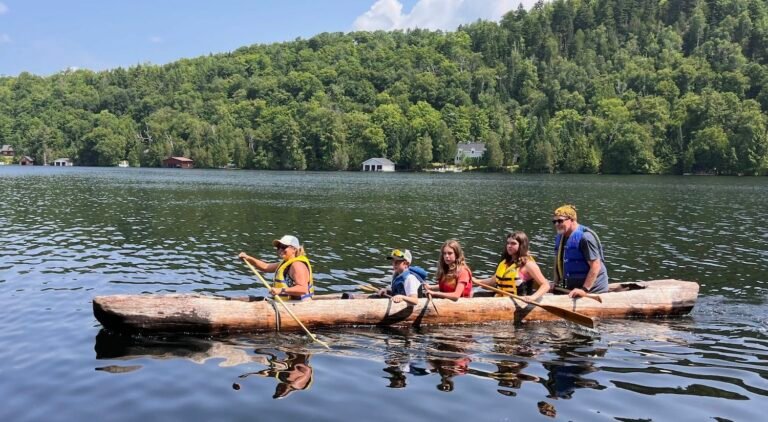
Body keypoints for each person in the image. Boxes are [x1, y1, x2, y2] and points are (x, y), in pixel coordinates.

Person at [474, 231, 550, 301]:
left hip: (519, 303)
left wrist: (533, 297)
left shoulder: (528, 265)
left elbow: (545, 285)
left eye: (513, 243)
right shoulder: (505, 263)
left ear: (522, 245)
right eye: (508, 243)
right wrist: (475, 281)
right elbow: (492, 281)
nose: (509, 246)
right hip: (501, 300)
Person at [552, 204, 609, 298]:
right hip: (570, 287)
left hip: (593, 290)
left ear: (572, 220)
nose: (557, 224)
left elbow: (595, 266)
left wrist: (584, 289)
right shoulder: (560, 237)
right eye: (554, 221)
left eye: (560, 221)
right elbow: (557, 262)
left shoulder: (585, 238)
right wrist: (555, 282)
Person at [238, 235, 314, 301]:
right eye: (278, 247)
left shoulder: (297, 265)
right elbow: (265, 267)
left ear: (294, 249)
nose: (280, 250)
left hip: (301, 304)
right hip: (289, 302)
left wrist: (281, 290)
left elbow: (303, 289)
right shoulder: (286, 263)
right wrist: (248, 258)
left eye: (283, 247)